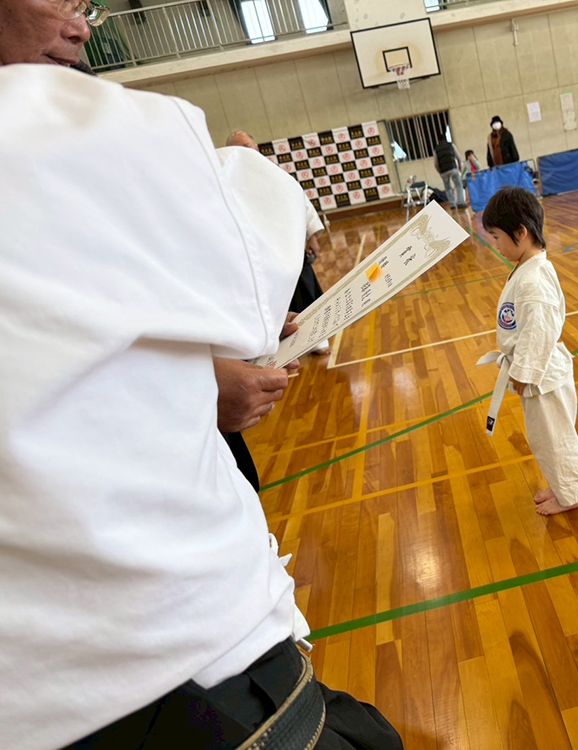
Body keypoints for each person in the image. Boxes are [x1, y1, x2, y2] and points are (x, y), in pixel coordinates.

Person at [0, 4, 405, 749]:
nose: (81, 24)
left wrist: (195, 378)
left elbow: (53, 356)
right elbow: (249, 280)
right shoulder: (43, 123)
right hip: (166, 661)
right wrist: (251, 169)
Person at [481, 187, 578, 516]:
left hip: (542, 374)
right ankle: (565, 487)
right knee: (549, 437)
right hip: (544, 372)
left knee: (554, 440)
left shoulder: (533, 280)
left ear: (521, 233)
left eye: (497, 237)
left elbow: (539, 329)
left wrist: (524, 372)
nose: (495, 244)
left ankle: (571, 495)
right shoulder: (531, 268)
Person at [227, 130, 331, 355]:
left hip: (289, 248)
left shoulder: (274, 174)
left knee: (304, 289)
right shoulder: (225, 179)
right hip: (255, 255)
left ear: (256, 148)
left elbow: (298, 201)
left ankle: (318, 338)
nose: (243, 152)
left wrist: (311, 235)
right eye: (237, 148)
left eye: (247, 146)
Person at [433, 135, 467, 209]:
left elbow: (436, 163)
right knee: (458, 185)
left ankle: (452, 204)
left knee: (448, 188)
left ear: (438, 140)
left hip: (444, 171)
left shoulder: (436, 149)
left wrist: (440, 172)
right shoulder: (451, 145)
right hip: (453, 168)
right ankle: (460, 203)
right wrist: (460, 168)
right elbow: (458, 157)